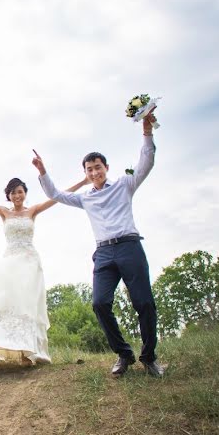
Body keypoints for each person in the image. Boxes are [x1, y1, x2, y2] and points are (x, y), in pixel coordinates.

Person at [31, 110, 164, 377]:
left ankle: (149, 358)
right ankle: (123, 354)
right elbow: (55, 194)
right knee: (100, 303)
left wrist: (147, 133)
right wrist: (43, 171)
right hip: (103, 253)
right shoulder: (85, 199)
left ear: (106, 168)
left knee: (144, 303)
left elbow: (145, 163)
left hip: (129, 247)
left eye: (97, 167)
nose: (94, 172)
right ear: (86, 173)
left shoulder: (125, 185)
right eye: (89, 170)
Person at [0, 175, 88, 365]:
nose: (17, 195)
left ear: (25, 193)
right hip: (10, 262)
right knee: (7, 303)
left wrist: (83, 182)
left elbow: (57, 196)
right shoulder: (4, 213)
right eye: (13, 192)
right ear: (8, 196)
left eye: (20, 192)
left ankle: (29, 352)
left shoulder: (33, 211)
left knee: (27, 304)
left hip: (30, 262)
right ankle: (6, 346)